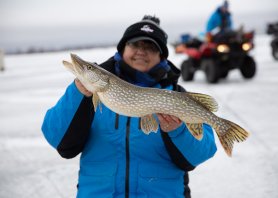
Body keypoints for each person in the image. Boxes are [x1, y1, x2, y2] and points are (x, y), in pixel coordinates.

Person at [41, 15, 217, 198]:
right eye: (135, 44)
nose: (141, 51)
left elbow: (201, 153)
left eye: (150, 47)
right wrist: (77, 93)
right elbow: (57, 139)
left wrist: (178, 131)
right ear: (123, 48)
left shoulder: (176, 94)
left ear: (161, 56)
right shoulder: (88, 94)